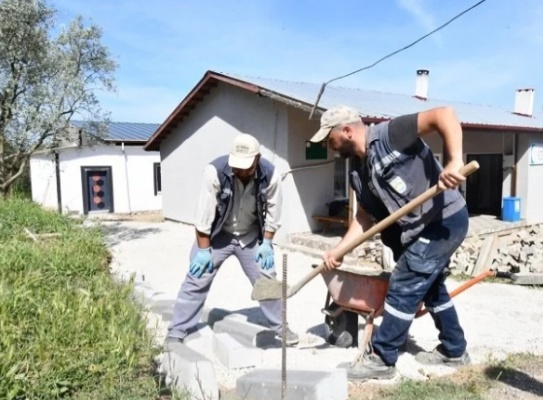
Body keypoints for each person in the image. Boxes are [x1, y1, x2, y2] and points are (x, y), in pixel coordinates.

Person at [310, 105, 470, 380]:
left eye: (329, 139)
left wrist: (454, 162)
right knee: (431, 289)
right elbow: (363, 218)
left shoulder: (391, 134)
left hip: (443, 220)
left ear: (346, 131)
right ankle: (454, 350)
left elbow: (444, 114)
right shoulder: (358, 173)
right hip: (416, 231)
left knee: (403, 284)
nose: (329, 146)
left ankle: (382, 358)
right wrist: (340, 250)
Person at [164, 133, 299, 347]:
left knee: (266, 278)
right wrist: (203, 250)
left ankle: (281, 328)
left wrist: (267, 243)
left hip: (250, 236)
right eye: (238, 166)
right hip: (219, 234)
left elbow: (274, 212)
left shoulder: (271, 174)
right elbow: (203, 216)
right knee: (197, 276)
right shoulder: (215, 172)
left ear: (258, 158)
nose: (242, 171)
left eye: (247, 166)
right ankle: (177, 330)